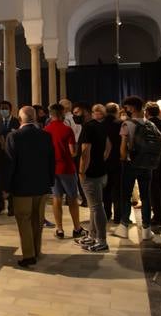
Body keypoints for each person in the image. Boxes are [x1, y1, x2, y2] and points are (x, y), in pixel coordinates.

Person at [4, 106, 55, 268]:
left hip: (22, 186)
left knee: (24, 219)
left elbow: (10, 164)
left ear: (20, 119)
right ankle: (36, 250)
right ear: (35, 118)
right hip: (41, 185)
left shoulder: (14, 136)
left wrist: (6, 186)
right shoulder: (45, 135)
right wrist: (50, 181)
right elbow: (51, 160)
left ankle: (28, 255)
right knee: (37, 220)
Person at [112, 95, 161, 241]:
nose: (126, 110)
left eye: (127, 107)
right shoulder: (150, 124)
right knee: (146, 196)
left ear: (131, 108)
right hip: (147, 165)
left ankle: (123, 227)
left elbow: (123, 148)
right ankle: (147, 230)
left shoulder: (127, 124)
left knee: (126, 195)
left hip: (130, 164)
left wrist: (123, 159)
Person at [44, 103, 85, 239]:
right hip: (67, 168)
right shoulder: (67, 130)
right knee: (72, 198)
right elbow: (73, 152)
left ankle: (59, 229)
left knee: (56, 198)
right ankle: (77, 228)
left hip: (52, 168)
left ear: (50, 114)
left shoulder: (46, 130)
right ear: (62, 114)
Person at [75, 104, 110, 252]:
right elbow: (109, 146)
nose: (75, 115)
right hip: (101, 170)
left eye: (77, 112)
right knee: (94, 206)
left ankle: (101, 240)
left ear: (86, 113)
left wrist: (82, 171)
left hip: (90, 173)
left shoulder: (88, 127)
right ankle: (92, 235)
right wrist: (102, 160)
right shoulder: (100, 125)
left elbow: (85, 151)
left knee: (96, 207)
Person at [0, 100, 19, 216]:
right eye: (1, 108)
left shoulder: (16, 122)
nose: (3, 110)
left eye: (5, 108)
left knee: (11, 182)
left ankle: (12, 207)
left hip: (12, 158)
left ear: (10, 109)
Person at [102, 102, 122, 225]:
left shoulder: (101, 124)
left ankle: (107, 213)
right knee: (118, 189)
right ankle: (118, 216)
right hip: (118, 159)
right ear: (117, 111)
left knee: (106, 189)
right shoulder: (120, 124)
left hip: (104, 160)